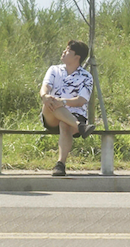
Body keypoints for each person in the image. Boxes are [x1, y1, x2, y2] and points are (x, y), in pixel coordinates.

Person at [40, 39, 96, 176]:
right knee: (50, 102)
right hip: (52, 114)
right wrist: (45, 96)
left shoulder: (86, 77)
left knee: (64, 124)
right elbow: (45, 87)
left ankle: (60, 164)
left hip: (75, 114)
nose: (63, 52)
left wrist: (63, 102)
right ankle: (80, 126)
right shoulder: (54, 69)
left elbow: (81, 100)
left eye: (68, 51)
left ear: (77, 57)